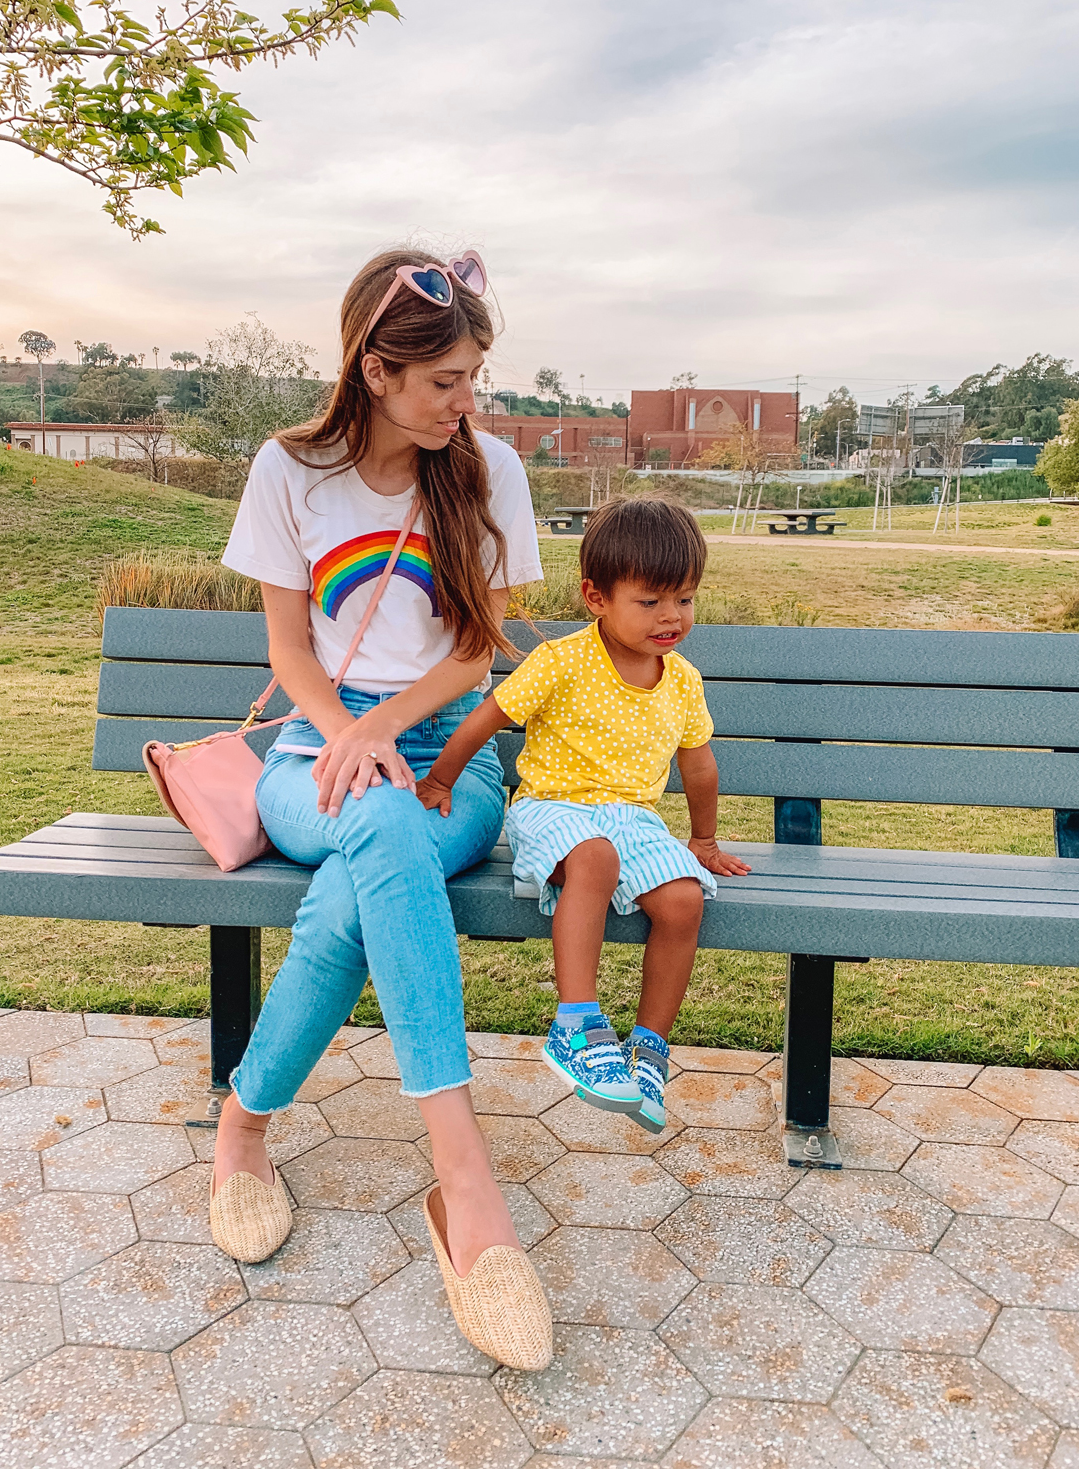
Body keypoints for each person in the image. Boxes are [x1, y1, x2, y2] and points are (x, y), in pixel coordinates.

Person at [211, 247, 552, 1371]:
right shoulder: (290, 469)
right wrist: (345, 734)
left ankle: (244, 1126)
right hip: (311, 747)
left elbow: (478, 649)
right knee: (374, 821)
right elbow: (286, 648)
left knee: (380, 846)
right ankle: (466, 1191)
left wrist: (384, 733)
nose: (468, 401)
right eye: (446, 380)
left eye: (474, 375)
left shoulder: (488, 467)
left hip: (445, 760)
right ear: (375, 368)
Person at [417, 496, 752, 1134]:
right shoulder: (563, 662)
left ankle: (649, 1048)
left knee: (683, 899)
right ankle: (576, 1024)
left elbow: (699, 765)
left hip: (636, 819)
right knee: (594, 858)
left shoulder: (681, 680)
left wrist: (703, 840)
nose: (671, 617)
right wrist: (439, 779)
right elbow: (486, 716)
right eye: (649, 601)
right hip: (554, 808)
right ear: (596, 597)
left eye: (684, 598)